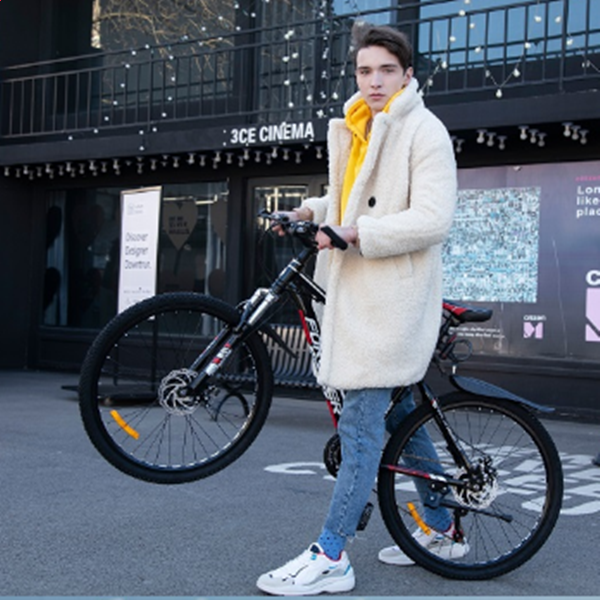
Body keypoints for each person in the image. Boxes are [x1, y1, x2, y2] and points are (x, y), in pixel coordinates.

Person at [256, 22, 461, 596]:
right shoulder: (357, 126)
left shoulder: (424, 131)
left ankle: (331, 554)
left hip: (391, 303)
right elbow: (346, 197)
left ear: (407, 75)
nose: (374, 81)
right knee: (398, 419)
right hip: (356, 297)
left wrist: (353, 233)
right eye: (365, 71)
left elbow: (433, 219)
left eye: (386, 71)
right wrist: (307, 212)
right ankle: (443, 526)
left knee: (361, 428)